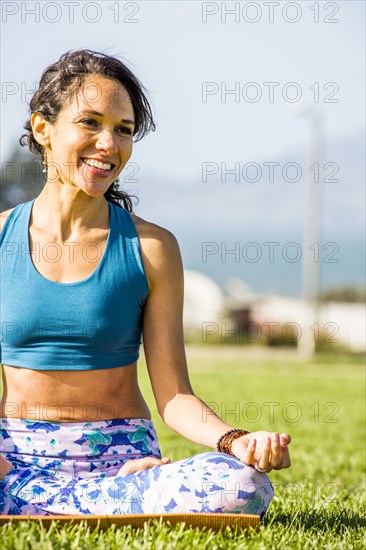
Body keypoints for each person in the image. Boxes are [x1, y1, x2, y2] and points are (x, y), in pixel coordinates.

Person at [0, 49, 291, 517]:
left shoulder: (152, 248)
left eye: (123, 129)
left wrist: (236, 442)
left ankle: (79, 503)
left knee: (241, 484)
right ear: (42, 129)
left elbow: (175, 396)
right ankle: (110, 508)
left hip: (121, 460)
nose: (108, 144)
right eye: (90, 123)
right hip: (14, 460)